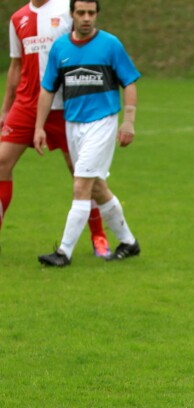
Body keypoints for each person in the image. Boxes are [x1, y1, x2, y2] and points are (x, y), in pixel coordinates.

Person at [33, 0, 140, 267]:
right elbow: (47, 89)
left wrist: (128, 121)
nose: (86, 18)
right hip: (73, 124)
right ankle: (128, 242)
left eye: (91, 13)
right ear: (72, 14)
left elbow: (129, 82)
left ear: (97, 15)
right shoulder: (60, 47)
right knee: (97, 187)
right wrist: (39, 127)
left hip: (102, 122)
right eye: (81, 12)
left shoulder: (110, 44)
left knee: (81, 184)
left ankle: (64, 253)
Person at [0, 0, 110, 257]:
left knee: (83, 173)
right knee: (2, 162)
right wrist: (5, 109)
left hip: (65, 106)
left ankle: (99, 236)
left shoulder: (66, 9)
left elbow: (87, 47)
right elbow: (16, 66)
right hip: (26, 105)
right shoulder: (18, 18)